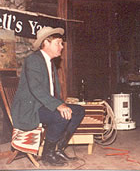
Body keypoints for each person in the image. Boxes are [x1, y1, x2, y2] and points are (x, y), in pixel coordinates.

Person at [11, 27, 85, 166]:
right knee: (60, 116)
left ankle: (58, 149)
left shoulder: (49, 62)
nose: (62, 47)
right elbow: (36, 89)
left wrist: (62, 103)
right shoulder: (33, 60)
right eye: (58, 43)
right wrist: (59, 105)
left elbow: (52, 93)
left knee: (78, 111)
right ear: (46, 42)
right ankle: (47, 154)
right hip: (31, 109)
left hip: (43, 105)